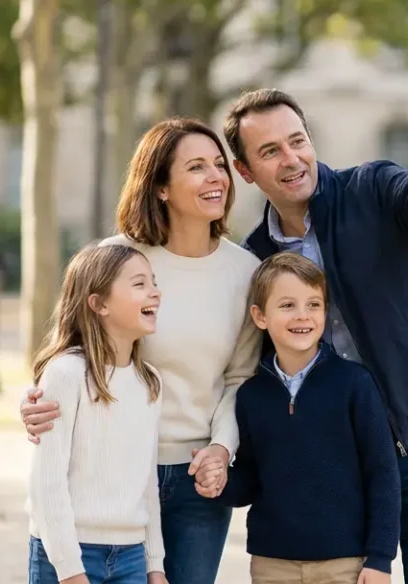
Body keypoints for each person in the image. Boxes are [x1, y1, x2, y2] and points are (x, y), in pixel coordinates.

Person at [196, 88, 408, 584]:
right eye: (270, 151)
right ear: (245, 172)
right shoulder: (256, 259)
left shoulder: (370, 189)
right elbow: (247, 367)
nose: (292, 159)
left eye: (298, 141)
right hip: (341, 457)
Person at [20, 118, 263, 584]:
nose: (216, 176)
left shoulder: (246, 272)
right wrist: (34, 402)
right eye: (196, 167)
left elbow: (240, 379)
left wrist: (221, 448)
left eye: (219, 164)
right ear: (160, 187)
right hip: (114, 472)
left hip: (197, 477)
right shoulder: (118, 261)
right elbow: (72, 352)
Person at [216, 252, 399, 584]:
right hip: (272, 565)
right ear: (260, 316)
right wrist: (221, 482)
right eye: (287, 305)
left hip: (344, 564)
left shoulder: (354, 385)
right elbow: (252, 479)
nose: (303, 315)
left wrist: (380, 558)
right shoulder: (251, 396)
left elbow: (383, 475)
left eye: (313, 304)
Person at [26, 243, 167, 584]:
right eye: (140, 284)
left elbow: (147, 484)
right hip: (67, 551)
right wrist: (70, 570)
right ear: (99, 304)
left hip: (131, 557)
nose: (155, 292)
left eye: (153, 282)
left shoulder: (150, 382)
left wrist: (155, 564)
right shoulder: (66, 373)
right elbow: (47, 483)